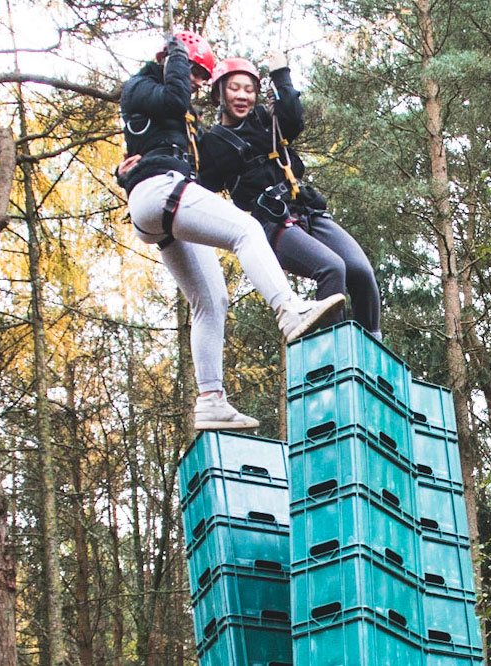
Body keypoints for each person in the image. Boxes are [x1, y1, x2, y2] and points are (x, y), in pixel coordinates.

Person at [117, 31, 345, 430]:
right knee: (246, 229)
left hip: (163, 203)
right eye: (195, 73)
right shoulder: (142, 86)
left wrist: (125, 176)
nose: (196, 83)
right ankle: (288, 309)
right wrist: (176, 51)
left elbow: (173, 154)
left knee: (210, 299)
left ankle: (210, 399)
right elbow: (172, 99)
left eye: (202, 77)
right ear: (173, 61)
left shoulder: (183, 122)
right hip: (159, 192)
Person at [197, 55, 382, 340]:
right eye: (235, 88)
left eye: (249, 89)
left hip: (306, 209)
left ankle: (372, 349)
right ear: (219, 92)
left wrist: (280, 72)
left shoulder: (264, 119)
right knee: (332, 268)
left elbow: (293, 117)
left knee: (361, 272)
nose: (243, 96)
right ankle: (336, 355)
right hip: (273, 223)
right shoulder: (212, 143)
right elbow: (198, 182)